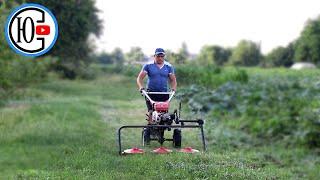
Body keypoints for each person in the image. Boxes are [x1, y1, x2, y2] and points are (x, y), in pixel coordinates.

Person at [136, 48, 177, 124]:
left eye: (162, 56)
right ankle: (150, 128)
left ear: (164, 56)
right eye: (158, 56)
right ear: (154, 56)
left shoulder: (168, 66)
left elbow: (173, 80)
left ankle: (161, 131)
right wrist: (141, 87)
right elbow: (140, 78)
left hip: (164, 93)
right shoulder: (148, 66)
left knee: (164, 113)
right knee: (151, 111)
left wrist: (173, 88)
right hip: (151, 93)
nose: (160, 58)